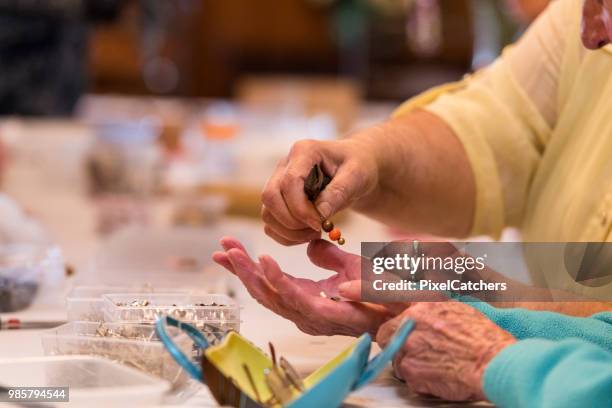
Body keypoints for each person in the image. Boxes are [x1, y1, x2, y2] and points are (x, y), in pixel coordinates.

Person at [213, 0, 612, 403]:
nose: (591, 33)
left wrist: (494, 353)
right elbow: (493, 127)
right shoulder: (582, 15)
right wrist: (370, 161)